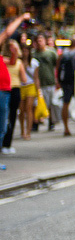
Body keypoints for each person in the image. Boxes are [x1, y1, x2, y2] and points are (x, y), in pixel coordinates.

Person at [0, 14, 31, 148]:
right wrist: (21, 18)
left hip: (6, 91)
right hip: (2, 91)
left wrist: (13, 53)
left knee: (3, 124)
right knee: (3, 122)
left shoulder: (3, 58)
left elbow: (11, 62)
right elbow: (7, 33)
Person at [57, 39, 75, 136]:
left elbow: (58, 67)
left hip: (65, 82)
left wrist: (58, 80)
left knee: (66, 104)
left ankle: (66, 128)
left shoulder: (63, 54)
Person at [2, 40, 28, 154]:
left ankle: (5, 143)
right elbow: (24, 79)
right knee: (10, 117)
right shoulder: (14, 62)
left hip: (7, 90)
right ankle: (6, 144)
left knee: (7, 117)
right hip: (12, 90)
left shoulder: (4, 60)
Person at [32, 33, 58, 132]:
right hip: (38, 83)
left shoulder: (51, 53)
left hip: (50, 82)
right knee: (37, 104)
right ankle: (35, 123)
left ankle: (51, 122)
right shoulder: (34, 54)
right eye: (37, 41)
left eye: (41, 40)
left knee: (51, 104)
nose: (39, 43)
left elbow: (57, 66)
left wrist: (57, 80)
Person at [19, 43, 39, 141]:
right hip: (20, 86)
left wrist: (38, 90)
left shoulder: (34, 62)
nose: (24, 53)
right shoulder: (18, 62)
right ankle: (22, 130)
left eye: (26, 51)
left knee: (29, 108)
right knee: (21, 110)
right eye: (23, 50)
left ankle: (28, 131)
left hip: (30, 85)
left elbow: (36, 77)